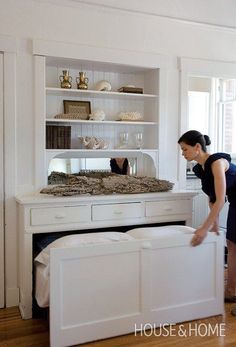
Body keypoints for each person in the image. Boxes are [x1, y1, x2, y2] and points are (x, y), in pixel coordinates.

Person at [178, 130, 236, 310]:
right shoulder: (201, 169)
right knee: (232, 245)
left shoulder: (217, 163)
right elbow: (213, 198)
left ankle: (232, 289)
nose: (183, 153)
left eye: (185, 149)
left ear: (197, 147)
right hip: (235, 202)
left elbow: (220, 199)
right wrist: (215, 226)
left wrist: (204, 228)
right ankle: (231, 290)